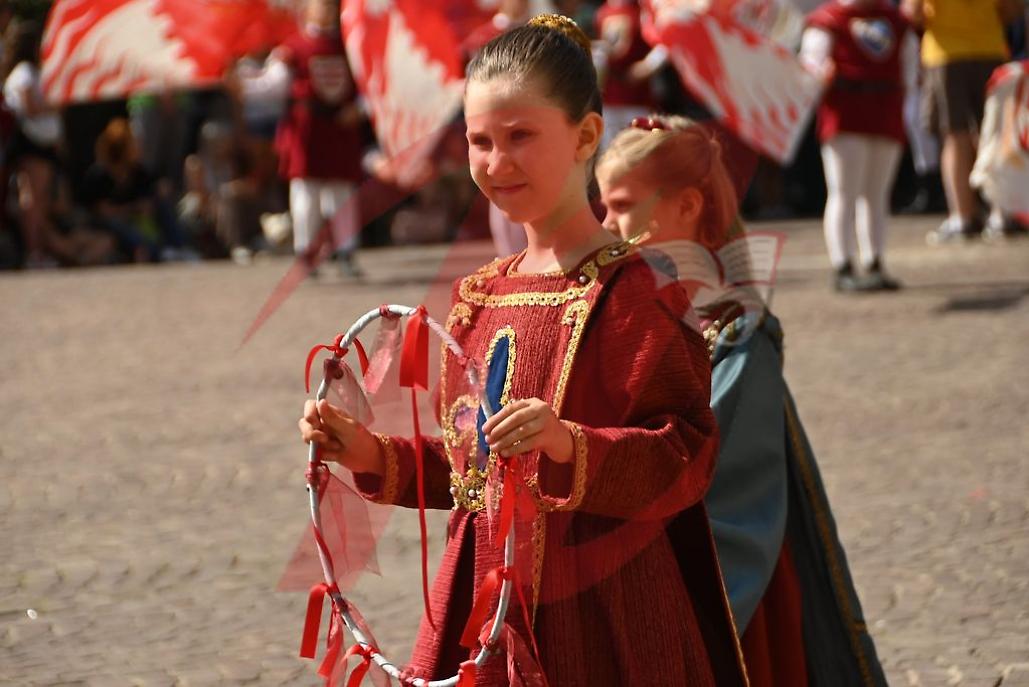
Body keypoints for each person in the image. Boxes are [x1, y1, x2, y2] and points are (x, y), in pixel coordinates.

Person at [299, 15, 748, 686]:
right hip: (480, 609)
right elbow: (473, 472)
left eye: (520, 137)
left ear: (585, 136)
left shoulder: (639, 291)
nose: (496, 162)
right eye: (479, 141)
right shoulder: (479, 294)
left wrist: (569, 444)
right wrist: (365, 452)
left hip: (605, 615)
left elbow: (686, 456)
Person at [597, 114, 889, 686]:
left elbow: (734, 495)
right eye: (602, 206)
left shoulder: (737, 339)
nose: (606, 225)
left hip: (720, 585)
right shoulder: (635, 317)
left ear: (686, 207)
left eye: (622, 206)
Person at [237, 0, 366, 276]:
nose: (325, 11)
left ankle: (345, 251)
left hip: (340, 127)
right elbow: (272, 85)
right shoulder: (293, 48)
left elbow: (368, 82)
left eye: (329, 6)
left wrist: (360, 108)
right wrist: (242, 84)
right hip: (308, 128)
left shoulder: (350, 44)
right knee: (306, 191)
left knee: (341, 192)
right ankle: (306, 251)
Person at [800, 0, 915, 292]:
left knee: (877, 194)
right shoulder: (829, 20)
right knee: (844, 192)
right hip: (845, 115)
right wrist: (820, 74)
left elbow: (910, 70)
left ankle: (875, 261)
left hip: (886, 113)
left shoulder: (896, 21)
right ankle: (843, 265)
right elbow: (809, 69)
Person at [901, 0, 1020, 242]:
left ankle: (963, 217)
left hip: (946, 52)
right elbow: (1012, 9)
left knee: (955, 136)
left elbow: (912, 12)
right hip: (990, 48)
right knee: (995, 134)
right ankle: (1001, 213)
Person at [1, 20, 63, 268]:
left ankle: (39, 251)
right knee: (32, 200)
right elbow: (29, 107)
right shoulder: (24, 71)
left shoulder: (32, 71)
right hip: (30, 143)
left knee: (41, 199)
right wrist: (55, 104)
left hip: (41, 144)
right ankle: (33, 252)